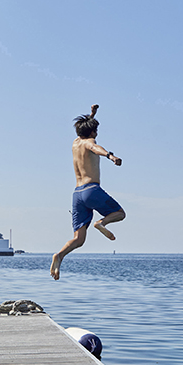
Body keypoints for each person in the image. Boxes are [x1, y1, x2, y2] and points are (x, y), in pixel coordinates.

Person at [51, 104, 125, 280]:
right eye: (96, 131)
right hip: (92, 190)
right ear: (92, 132)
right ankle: (101, 223)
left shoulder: (75, 143)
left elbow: (85, 133)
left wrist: (92, 114)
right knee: (120, 213)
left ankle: (59, 256)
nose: (97, 134)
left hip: (77, 194)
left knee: (79, 239)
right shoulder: (89, 142)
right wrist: (110, 156)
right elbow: (94, 147)